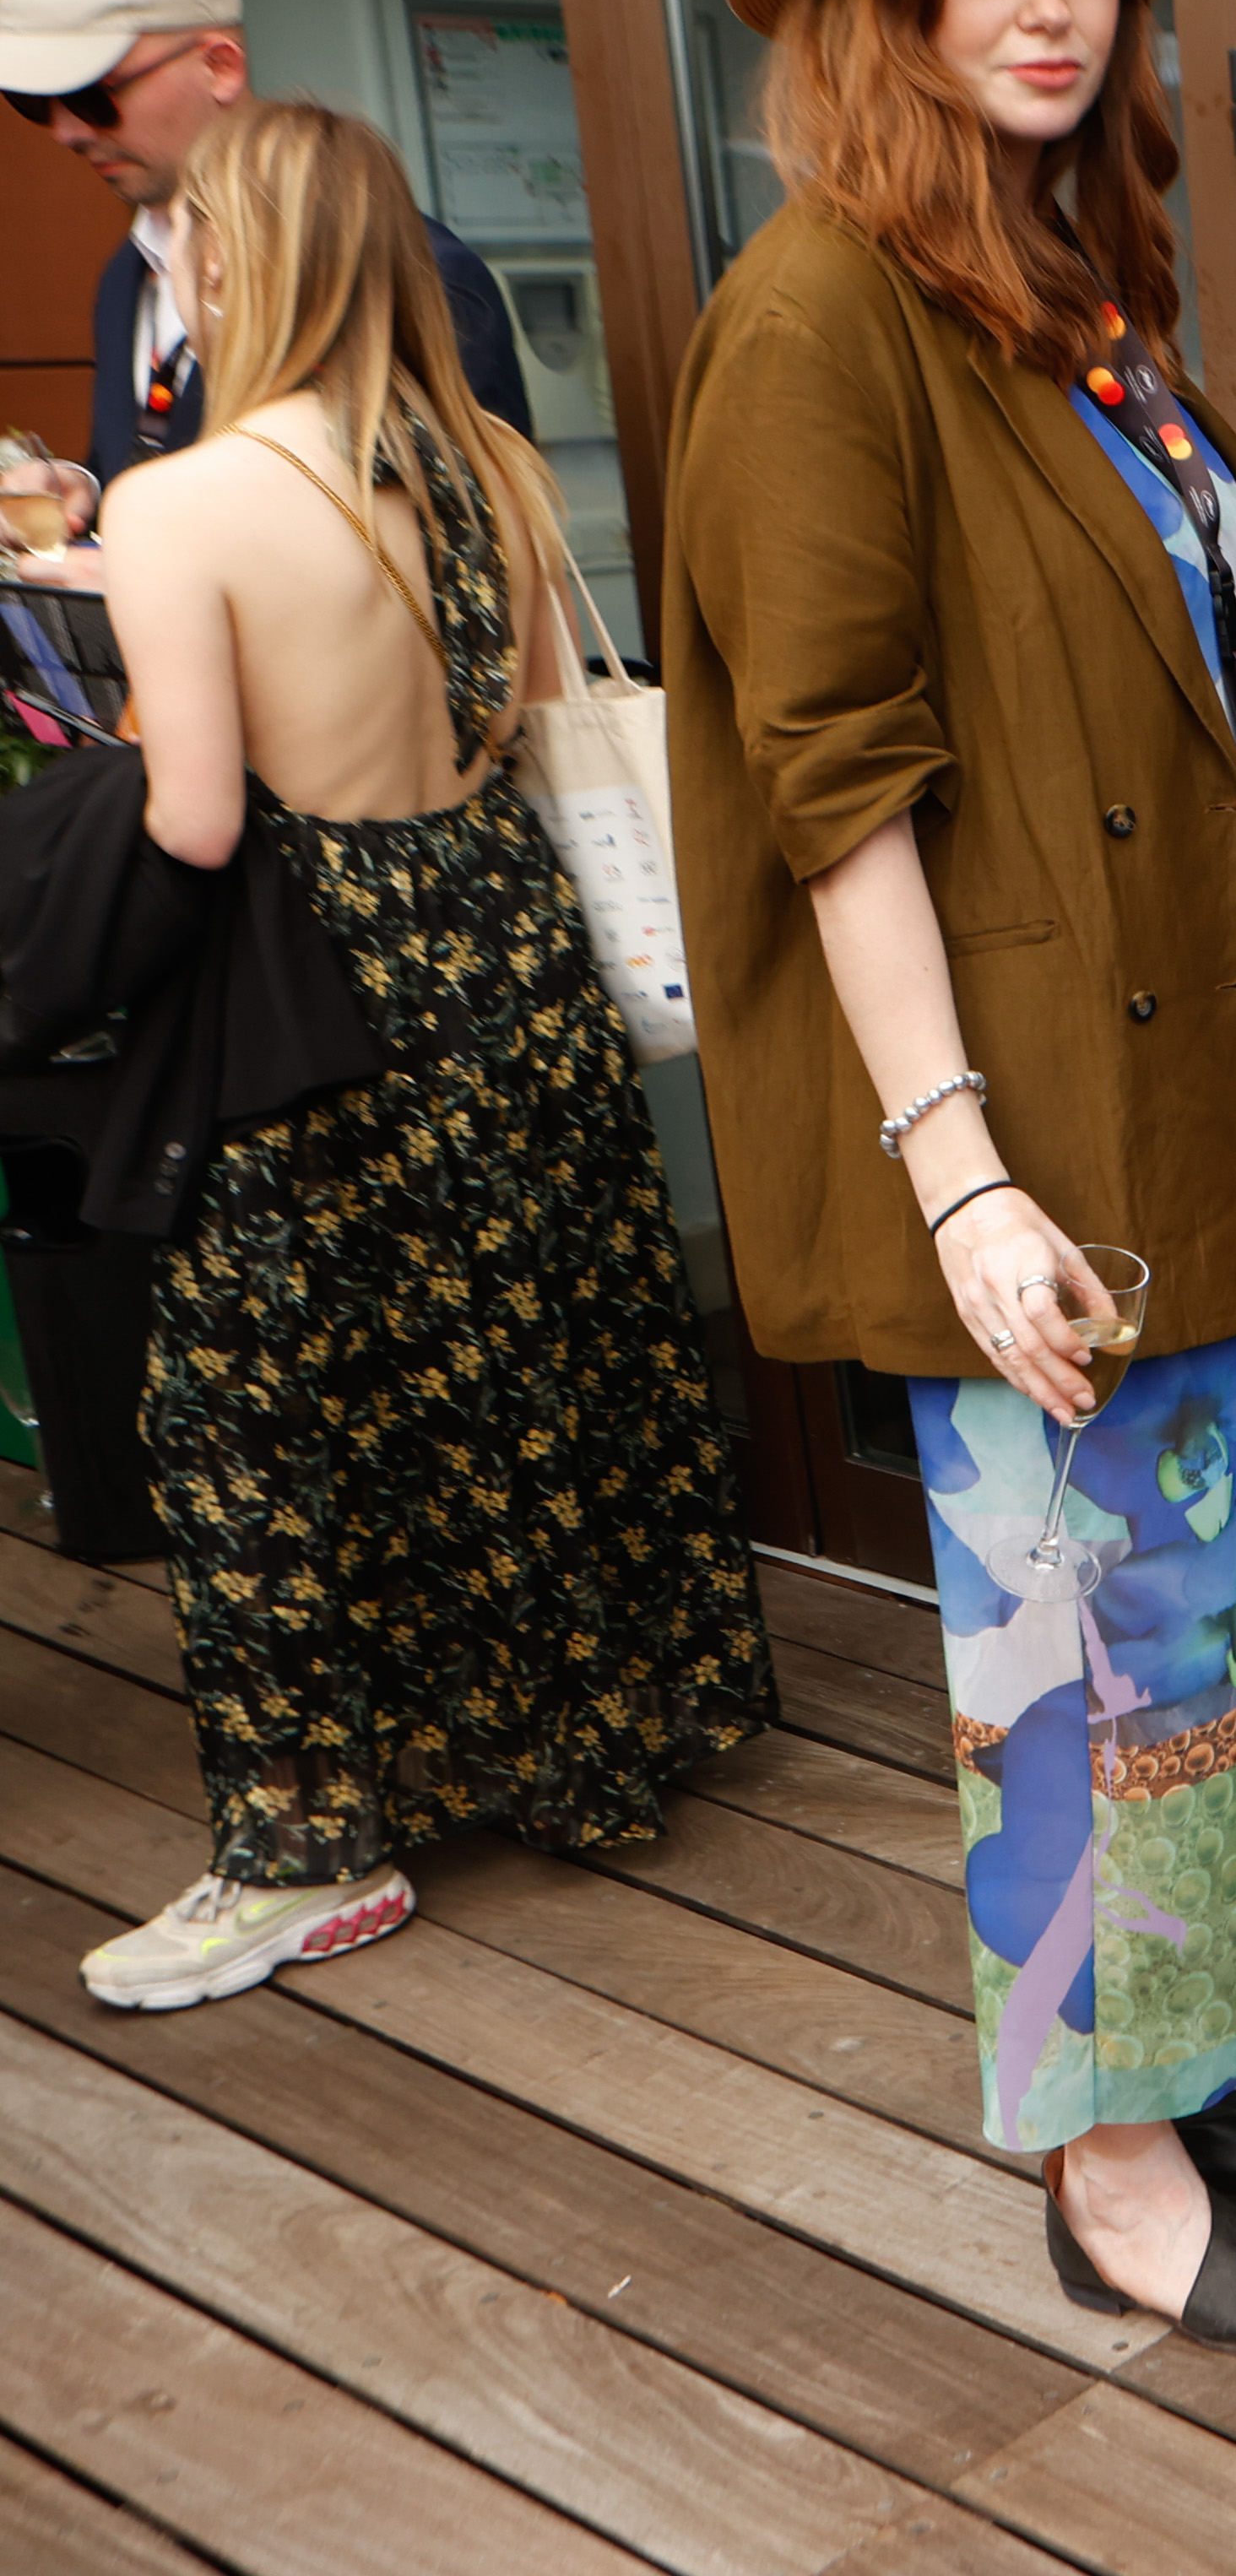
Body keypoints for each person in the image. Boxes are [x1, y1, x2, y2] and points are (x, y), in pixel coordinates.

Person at [668, 0, 1236, 2361]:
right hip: (1038, 1161)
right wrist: (960, 1171)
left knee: (1234, 1642)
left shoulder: (1073, 299)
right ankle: (1109, 2164)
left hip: (1195, 1104)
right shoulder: (816, 317)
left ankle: (1196, 2066)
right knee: (1081, 1672)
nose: (1053, 3)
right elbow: (833, 787)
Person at [28, 99, 767, 2013]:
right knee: (529, 1359)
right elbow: (505, 708)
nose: (162, 264)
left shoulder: (179, 502)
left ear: (238, 259)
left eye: (181, 237)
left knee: (256, 1417)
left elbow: (196, 817)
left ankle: (307, 1851)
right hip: (503, 949)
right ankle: (593, 1733)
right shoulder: (495, 465)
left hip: (316, 981)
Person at [0, 0, 533, 508]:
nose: (65, 132)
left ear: (219, 67)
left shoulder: (408, 273)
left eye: (91, 96)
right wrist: (90, 489)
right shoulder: (126, 276)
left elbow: (477, 545)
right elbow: (157, 452)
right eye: (32, 102)